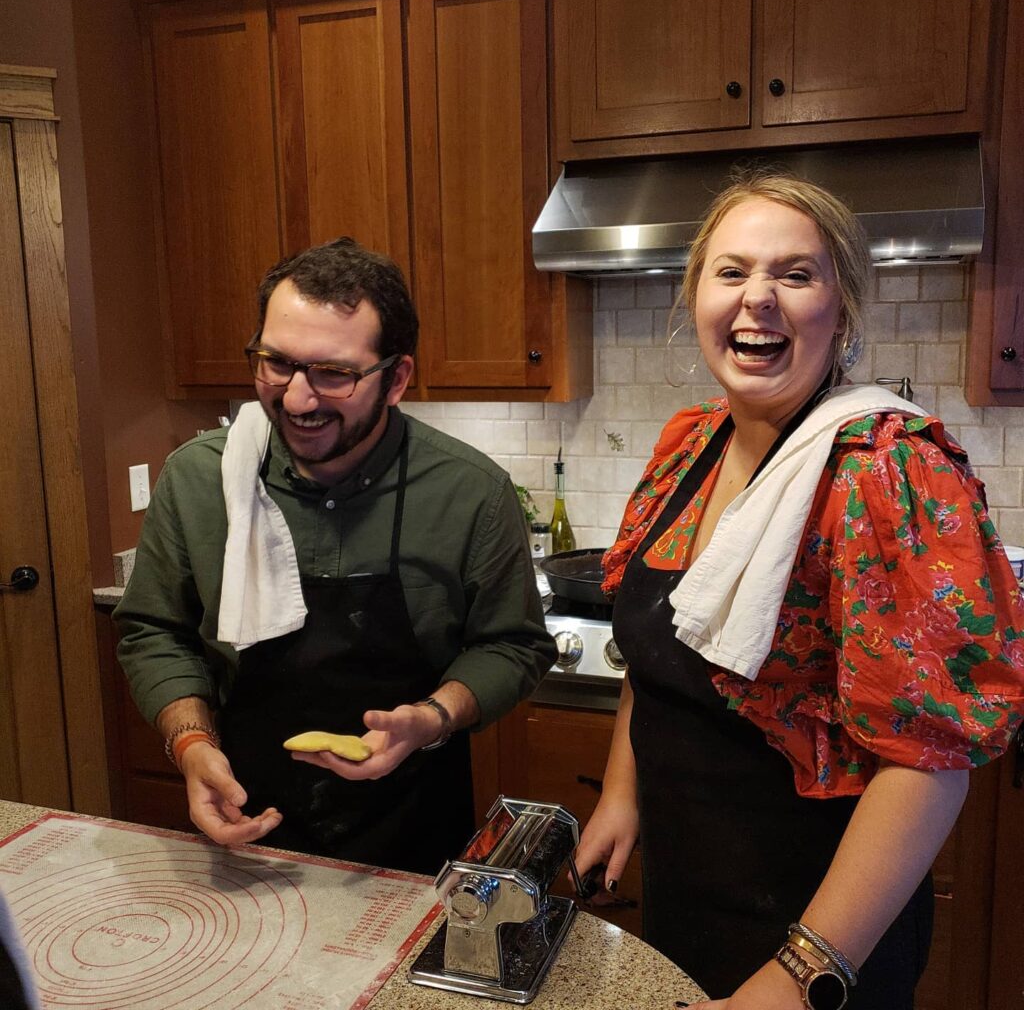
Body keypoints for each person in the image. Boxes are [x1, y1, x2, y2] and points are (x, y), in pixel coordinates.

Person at [574, 171, 1024, 1009]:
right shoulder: (690, 446)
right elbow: (653, 656)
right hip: (686, 890)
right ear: (695, 294)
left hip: (821, 930)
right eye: (732, 271)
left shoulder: (887, 471)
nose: (758, 301)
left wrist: (797, 978)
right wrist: (622, 798)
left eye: (795, 274)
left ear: (842, 309)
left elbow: (929, 763)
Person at [114, 237, 555, 875]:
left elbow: (513, 645)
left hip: (412, 831)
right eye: (276, 364)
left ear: (396, 377)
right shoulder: (198, 479)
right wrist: (190, 744)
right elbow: (154, 631)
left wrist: (431, 718)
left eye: (333, 373)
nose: (296, 398)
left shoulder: (469, 492)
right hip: (243, 822)